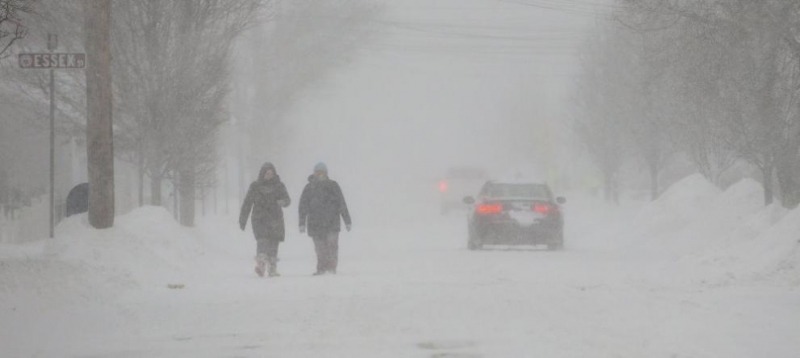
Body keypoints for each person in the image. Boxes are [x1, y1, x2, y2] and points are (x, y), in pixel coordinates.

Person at [298, 163, 351, 275]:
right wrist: (301, 222)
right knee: (320, 248)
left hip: (332, 222)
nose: (320, 174)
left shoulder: (333, 186)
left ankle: (332, 268)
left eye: (322, 172)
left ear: (326, 173)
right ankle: (321, 268)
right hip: (315, 223)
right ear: (314, 173)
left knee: (332, 245)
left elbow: (341, 203)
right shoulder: (309, 188)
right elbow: (303, 206)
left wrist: (347, 220)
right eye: (318, 172)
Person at [239, 162, 291, 277]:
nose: (268, 176)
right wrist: (243, 219)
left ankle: (272, 267)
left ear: (274, 174)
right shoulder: (255, 186)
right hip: (259, 218)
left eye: (270, 173)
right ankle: (261, 264)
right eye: (266, 173)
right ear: (262, 174)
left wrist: (283, 202)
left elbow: (287, 199)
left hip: (275, 218)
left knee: (274, 242)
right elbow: (247, 203)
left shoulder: (279, 186)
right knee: (262, 241)